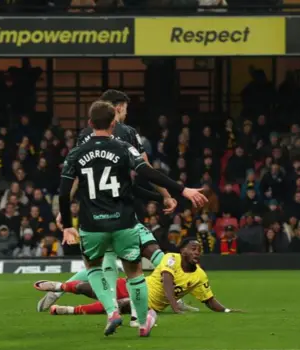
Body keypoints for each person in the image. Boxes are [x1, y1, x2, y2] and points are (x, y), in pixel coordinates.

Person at [58, 101, 206, 337]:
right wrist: (182, 190)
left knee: (93, 268)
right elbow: (148, 172)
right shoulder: (124, 147)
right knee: (135, 272)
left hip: (92, 224)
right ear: (114, 123)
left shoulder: (76, 153)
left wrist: (67, 225)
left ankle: (111, 312)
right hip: (124, 223)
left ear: (89, 124)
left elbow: (64, 192)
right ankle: (142, 320)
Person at [35, 238, 240, 316]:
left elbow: (209, 299)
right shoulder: (171, 258)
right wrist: (174, 304)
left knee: (119, 305)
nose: (197, 253)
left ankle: (67, 309)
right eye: (193, 249)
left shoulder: (199, 275)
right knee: (96, 288)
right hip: (135, 285)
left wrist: (228, 310)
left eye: (199, 250)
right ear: (182, 250)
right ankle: (60, 287)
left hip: (149, 303)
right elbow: (167, 280)